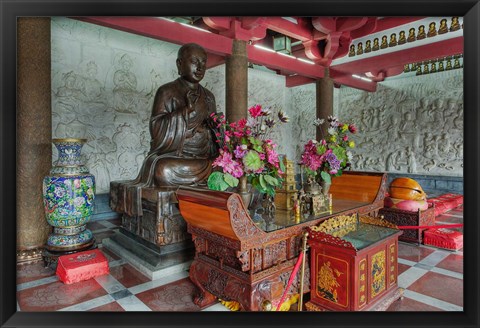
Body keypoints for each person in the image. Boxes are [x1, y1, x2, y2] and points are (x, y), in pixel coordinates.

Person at [118, 43, 220, 216]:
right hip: (176, 157)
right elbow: (156, 127)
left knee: (225, 168)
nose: (201, 67)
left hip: (203, 158)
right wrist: (184, 113)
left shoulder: (209, 97)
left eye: (204, 62)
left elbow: (216, 133)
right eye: (195, 61)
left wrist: (211, 130)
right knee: (162, 170)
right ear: (180, 64)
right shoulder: (166, 91)